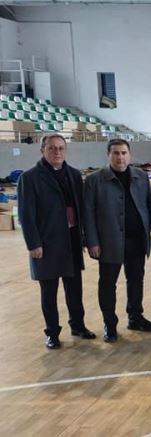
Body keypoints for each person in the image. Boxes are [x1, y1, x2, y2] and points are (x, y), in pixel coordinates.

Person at [18, 134, 96, 349]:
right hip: (46, 243)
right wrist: (33, 244)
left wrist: (85, 238)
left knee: (75, 289)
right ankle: (52, 333)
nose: (57, 152)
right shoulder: (30, 178)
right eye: (52, 148)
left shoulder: (74, 174)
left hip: (71, 241)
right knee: (49, 293)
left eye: (61, 148)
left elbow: (81, 210)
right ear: (42, 150)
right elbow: (26, 215)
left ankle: (78, 325)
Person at [84, 139, 151, 343]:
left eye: (124, 153)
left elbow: (148, 205)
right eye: (116, 153)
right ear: (108, 155)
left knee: (136, 281)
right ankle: (110, 324)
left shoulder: (141, 176)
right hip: (109, 242)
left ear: (129, 155)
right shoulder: (94, 180)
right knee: (108, 284)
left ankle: (135, 317)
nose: (120, 157)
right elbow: (88, 214)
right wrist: (92, 242)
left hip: (137, 240)